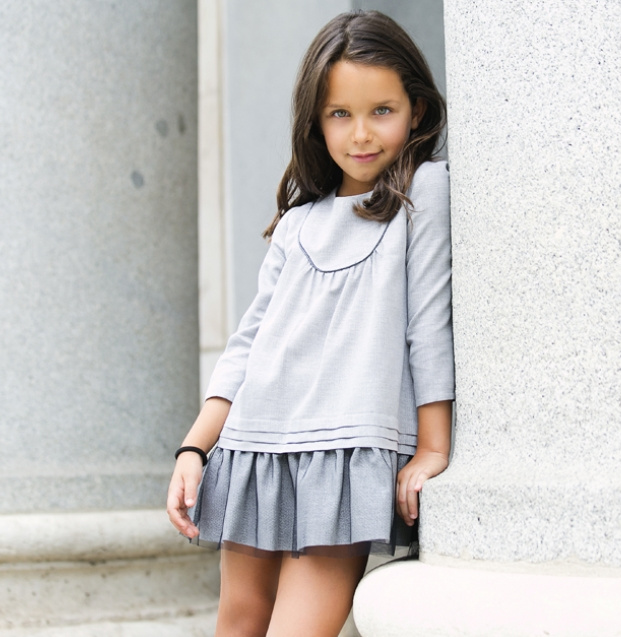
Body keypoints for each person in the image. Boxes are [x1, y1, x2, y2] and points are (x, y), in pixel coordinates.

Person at [167, 9, 454, 637]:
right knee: (239, 621)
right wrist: (194, 447)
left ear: (417, 110)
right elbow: (248, 344)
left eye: (382, 110)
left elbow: (428, 326)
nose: (361, 134)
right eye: (340, 114)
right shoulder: (298, 223)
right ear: (315, 121)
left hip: (344, 456)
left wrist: (433, 448)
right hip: (256, 445)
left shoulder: (424, 193)